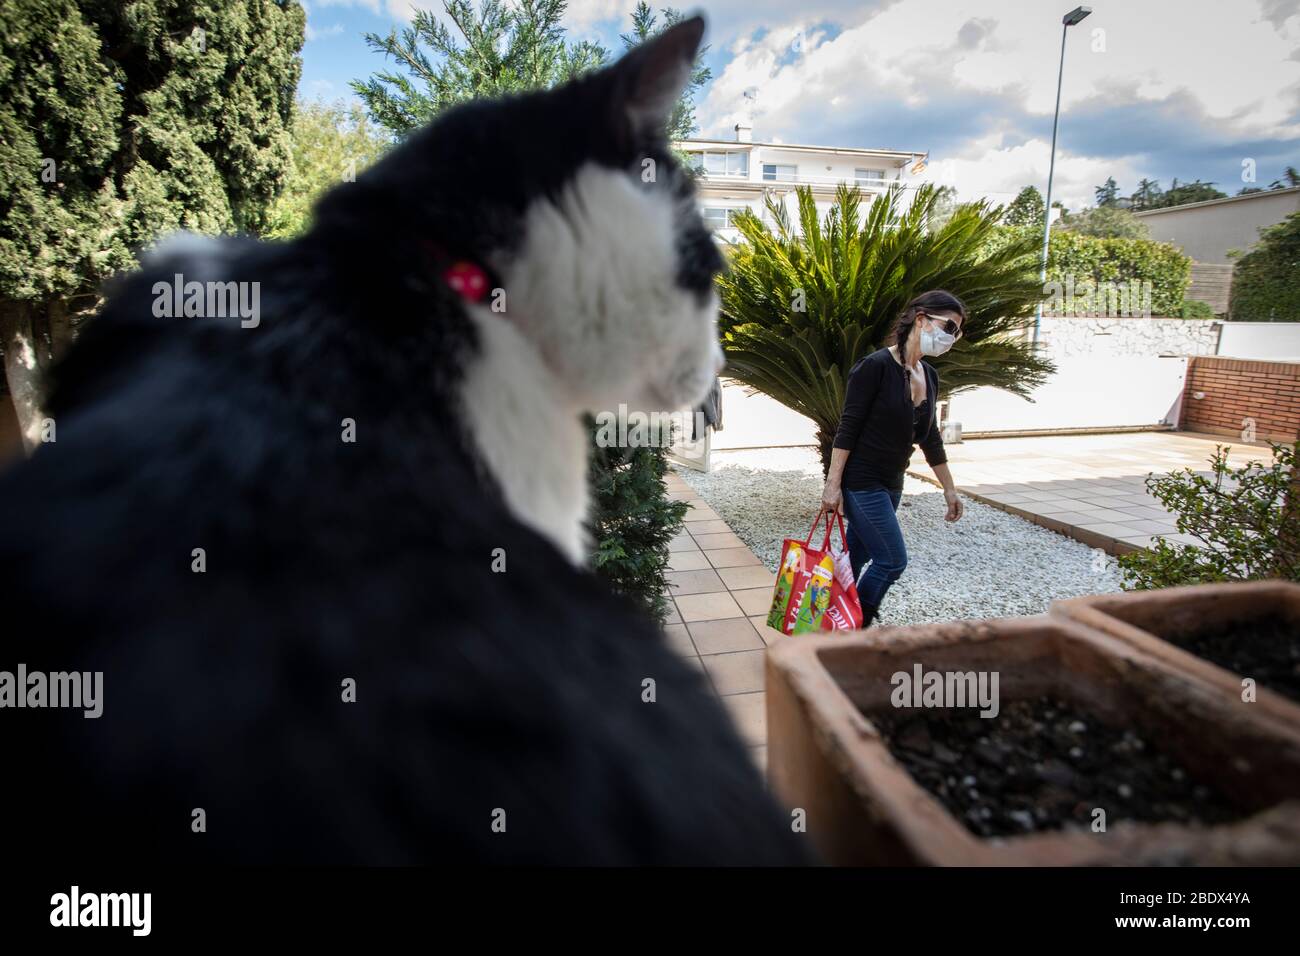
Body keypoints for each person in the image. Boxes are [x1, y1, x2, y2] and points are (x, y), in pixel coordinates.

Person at [819, 290, 966, 625]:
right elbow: (848, 428)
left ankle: (825, 623)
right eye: (948, 327)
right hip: (862, 481)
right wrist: (833, 485)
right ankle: (857, 623)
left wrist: (949, 489)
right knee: (891, 561)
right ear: (921, 319)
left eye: (956, 332)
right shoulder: (875, 367)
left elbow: (930, 436)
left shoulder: (928, 376)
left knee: (856, 556)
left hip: (892, 484)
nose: (951, 338)